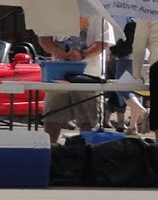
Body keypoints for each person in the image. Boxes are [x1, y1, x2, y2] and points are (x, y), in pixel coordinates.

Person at [37, 14, 116, 143]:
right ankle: (50, 152)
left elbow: (103, 41)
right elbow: (44, 39)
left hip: (89, 76)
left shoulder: (97, 12)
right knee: (52, 118)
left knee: (88, 121)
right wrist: (62, 54)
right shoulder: (53, 10)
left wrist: (82, 55)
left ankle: (88, 155)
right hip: (58, 75)